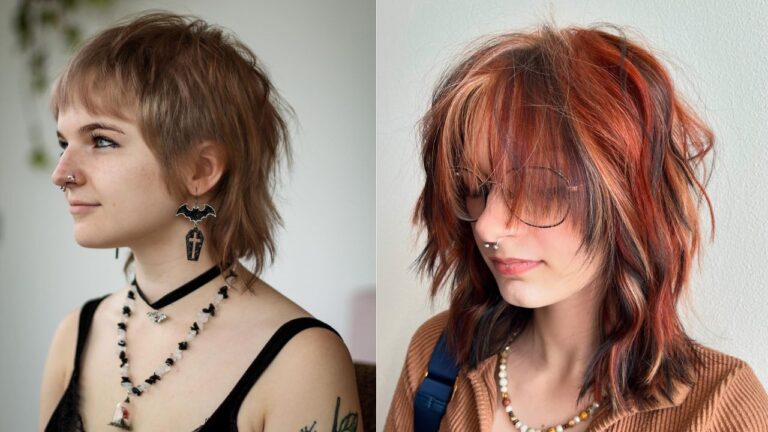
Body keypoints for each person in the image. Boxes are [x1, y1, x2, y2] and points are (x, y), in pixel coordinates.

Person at [385, 25, 768, 431]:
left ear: (629, 200)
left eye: (540, 188)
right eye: (474, 188)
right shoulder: (437, 358)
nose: (487, 226)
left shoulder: (720, 408)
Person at [39, 12, 361, 432]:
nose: (61, 173)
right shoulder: (73, 336)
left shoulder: (302, 361)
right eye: (64, 143)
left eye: (101, 141)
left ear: (200, 170)